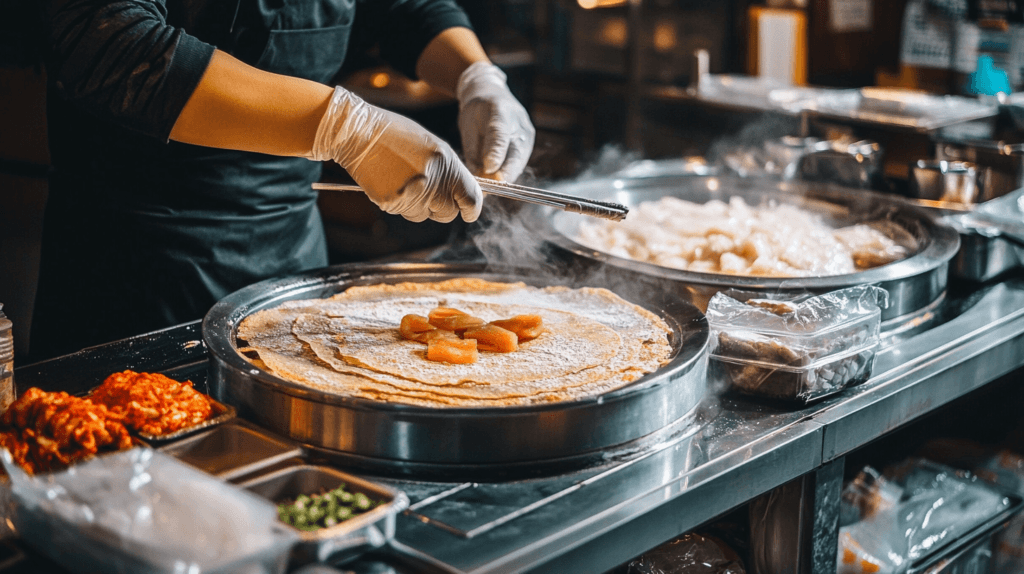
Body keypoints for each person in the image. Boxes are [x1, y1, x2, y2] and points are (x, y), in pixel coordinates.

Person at [30, 0, 535, 360]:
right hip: (137, 268)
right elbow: (114, 44)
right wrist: (346, 129)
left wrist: (478, 77)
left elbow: (401, 9)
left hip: (291, 255)